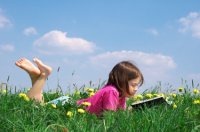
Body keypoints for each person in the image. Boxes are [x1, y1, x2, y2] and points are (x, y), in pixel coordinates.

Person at [15, 58, 144, 116]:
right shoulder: (112, 92)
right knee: (35, 110)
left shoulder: (121, 96)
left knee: (38, 108)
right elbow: (108, 117)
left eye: (137, 85)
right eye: (133, 85)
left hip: (70, 107)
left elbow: (119, 114)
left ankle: (35, 76)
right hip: (68, 106)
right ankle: (44, 75)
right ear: (121, 81)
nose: (136, 89)